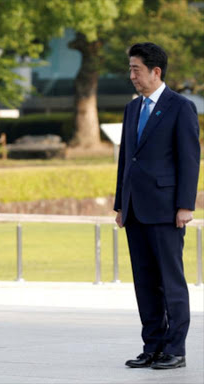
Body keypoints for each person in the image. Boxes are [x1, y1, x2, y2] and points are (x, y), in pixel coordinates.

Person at [114, 42, 200, 370]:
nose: (131, 75)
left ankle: (175, 349)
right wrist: (121, 204)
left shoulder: (180, 107)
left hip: (166, 210)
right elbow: (126, 161)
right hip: (135, 210)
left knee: (170, 281)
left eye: (136, 69)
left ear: (156, 71)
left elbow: (189, 160)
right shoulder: (132, 109)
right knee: (145, 282)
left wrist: (184, 205)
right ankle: (152, 345)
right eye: (131, 69)